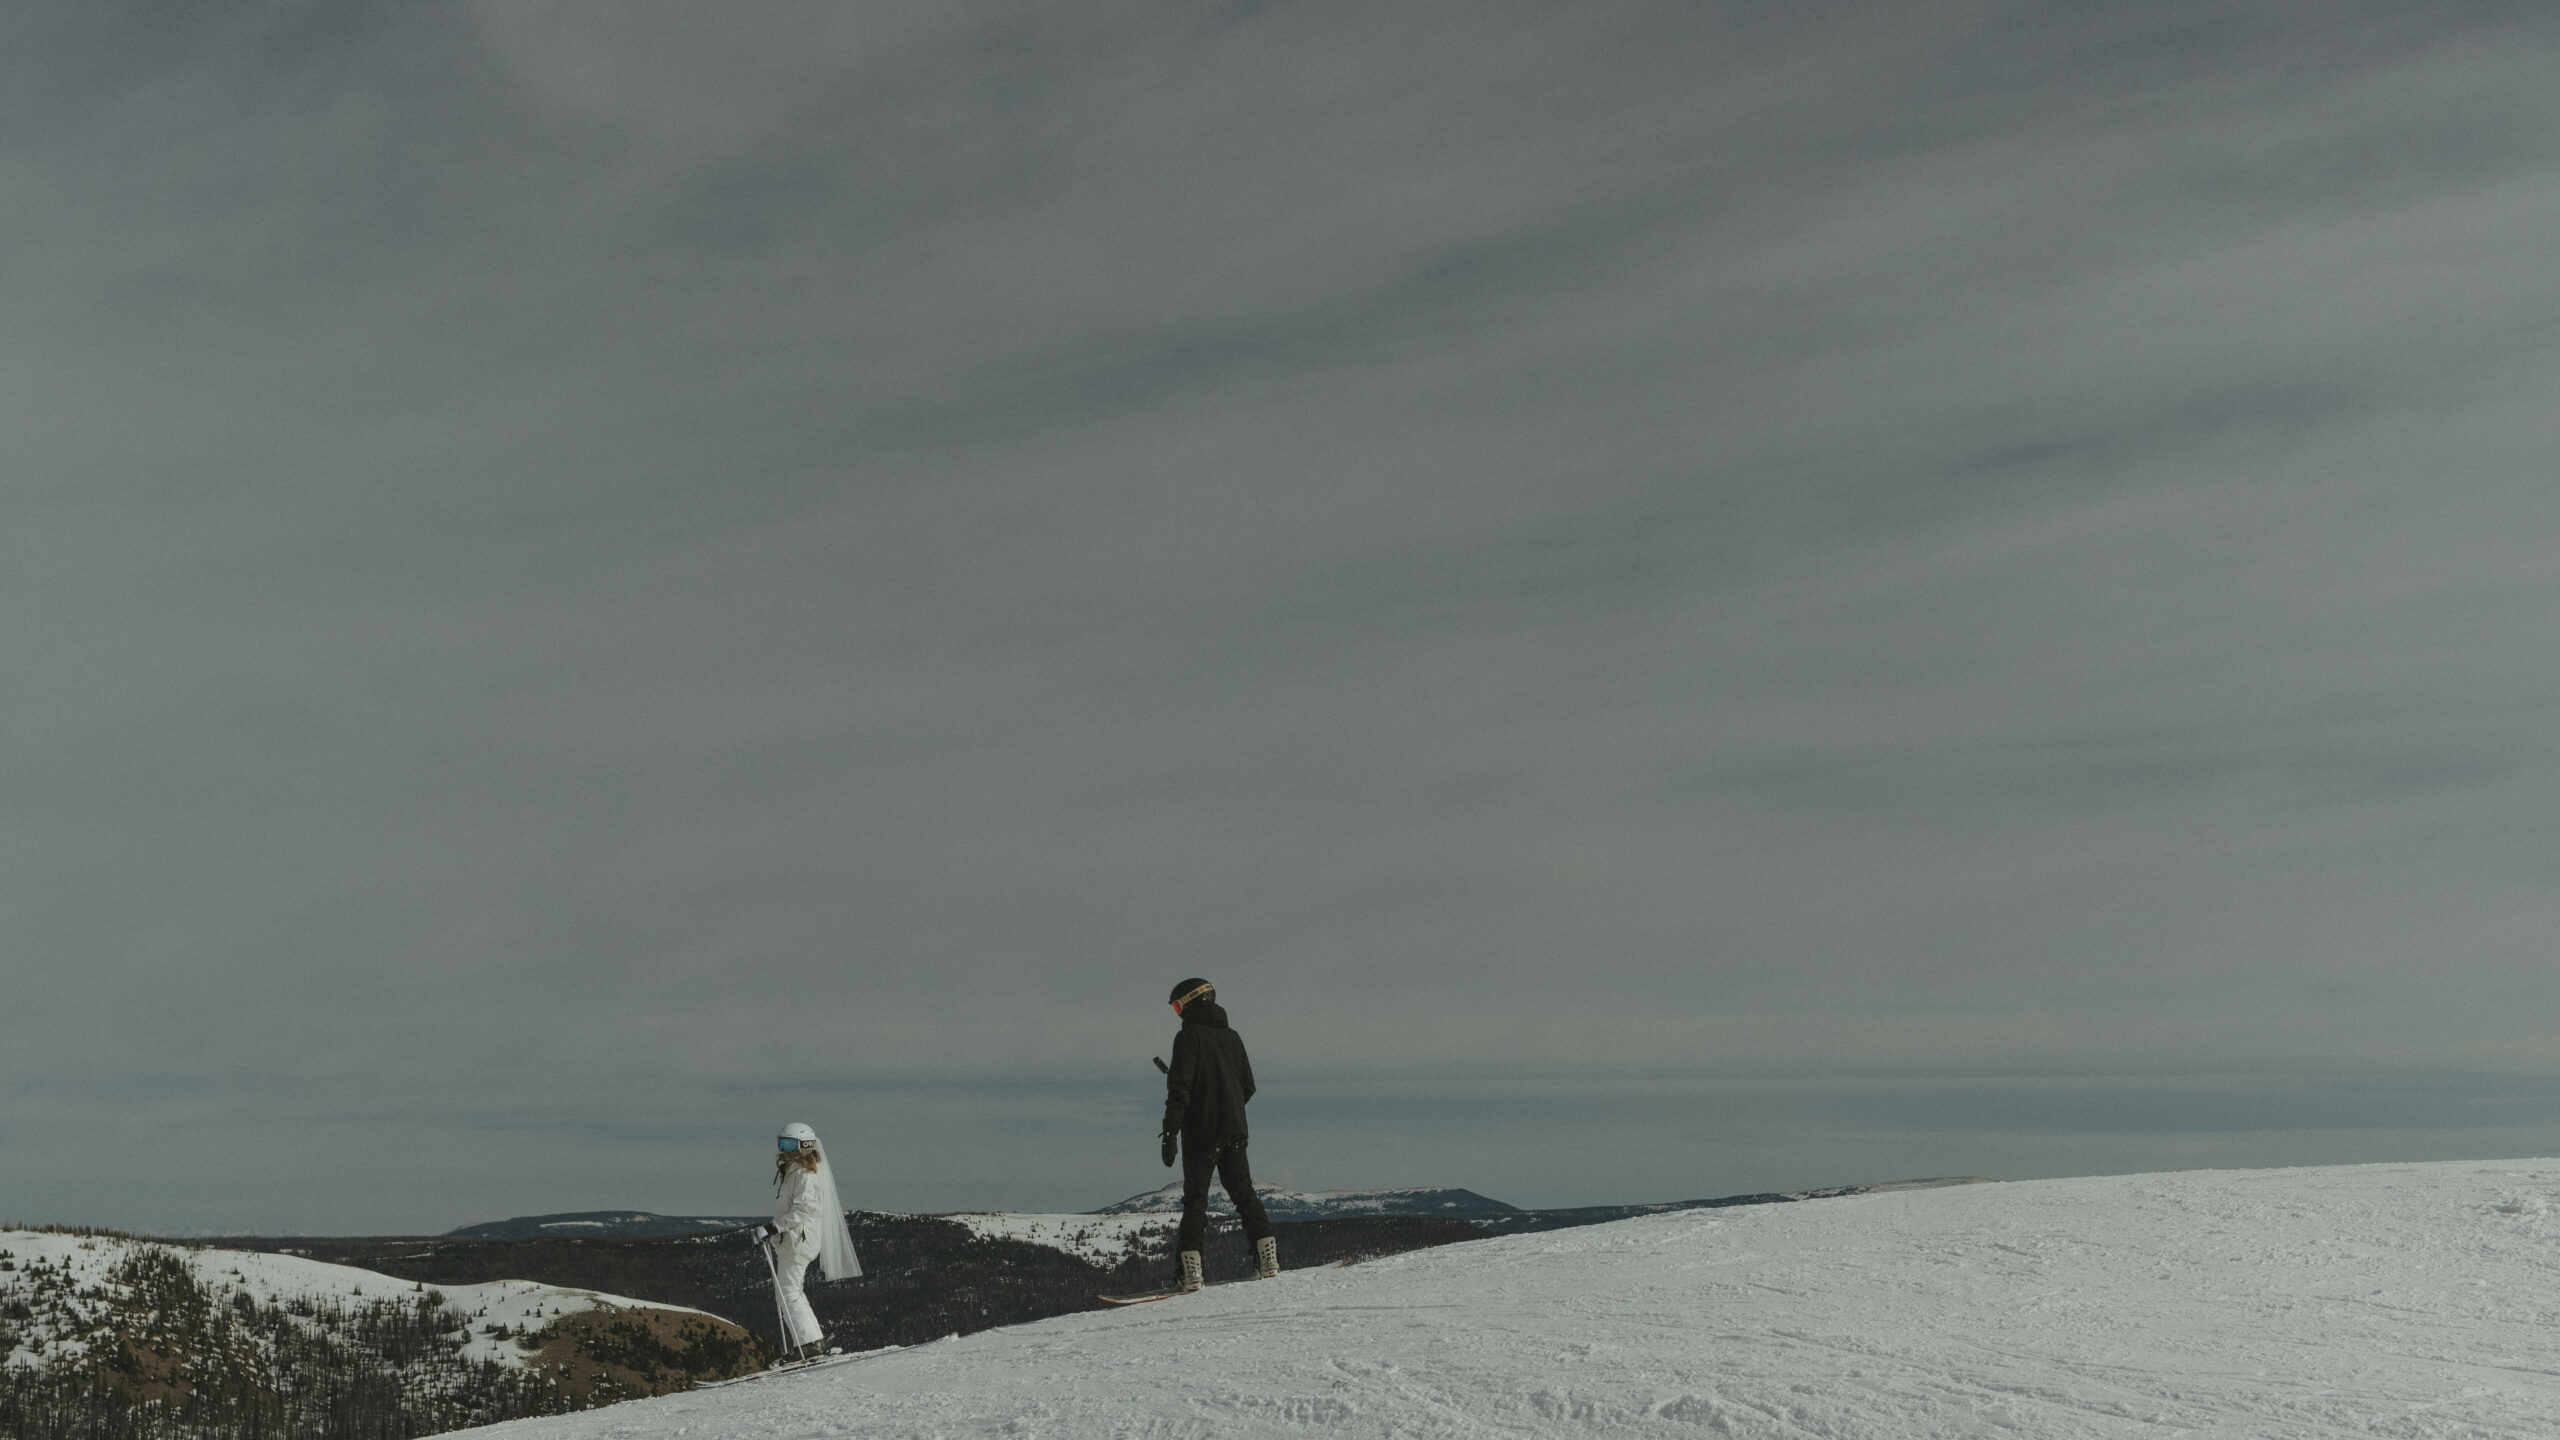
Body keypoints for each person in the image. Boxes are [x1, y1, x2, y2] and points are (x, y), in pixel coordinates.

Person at [1159, 978, 1277, 1292]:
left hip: (1201, 1133)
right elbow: (1247, 1086)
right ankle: (1268, 1261)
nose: (1177, 1013)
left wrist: (1170, 1131)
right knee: (1245, 1195)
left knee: (1195, 1201)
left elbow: (1180, 1089)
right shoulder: (1233, 1038)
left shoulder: (1188, 1037)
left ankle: (1191, 1273)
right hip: (1235, 1130)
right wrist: (1229, 1108)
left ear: (1192, 1002)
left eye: (1177, 1006)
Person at [757, 1122, 861, 1363]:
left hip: (798, 1241)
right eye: (781, 1143)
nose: (784, 1149)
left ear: (805, 1146)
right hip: (793, 1240)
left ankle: (809, 1344)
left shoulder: (806, 1175)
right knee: (789, 1292)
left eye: (789, 1144)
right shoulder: (795, 1172)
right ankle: (811, 1341)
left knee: (788, 1293)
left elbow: (804, 1210)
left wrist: (775, 1227)